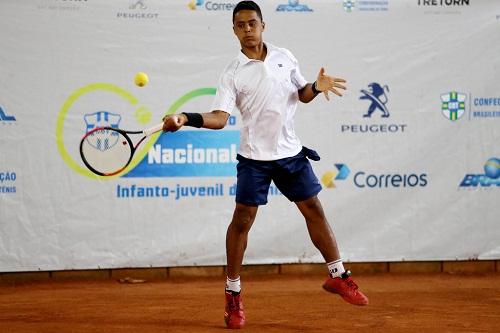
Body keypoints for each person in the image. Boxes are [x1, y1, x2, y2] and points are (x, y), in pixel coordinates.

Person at [162, 1, 368, 329]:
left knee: (314, 210)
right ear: (234, 30)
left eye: (252, 24)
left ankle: (338, 276)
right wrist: (186, 118)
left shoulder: (285, 57)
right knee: (242, 221)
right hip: (254, 159)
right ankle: (233, 294)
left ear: (263, 25)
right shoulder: (232, 72)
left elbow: (301, 93)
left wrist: (316, 87)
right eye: (240, 25)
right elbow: (220, 118)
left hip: (290, 154)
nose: (247, 30)